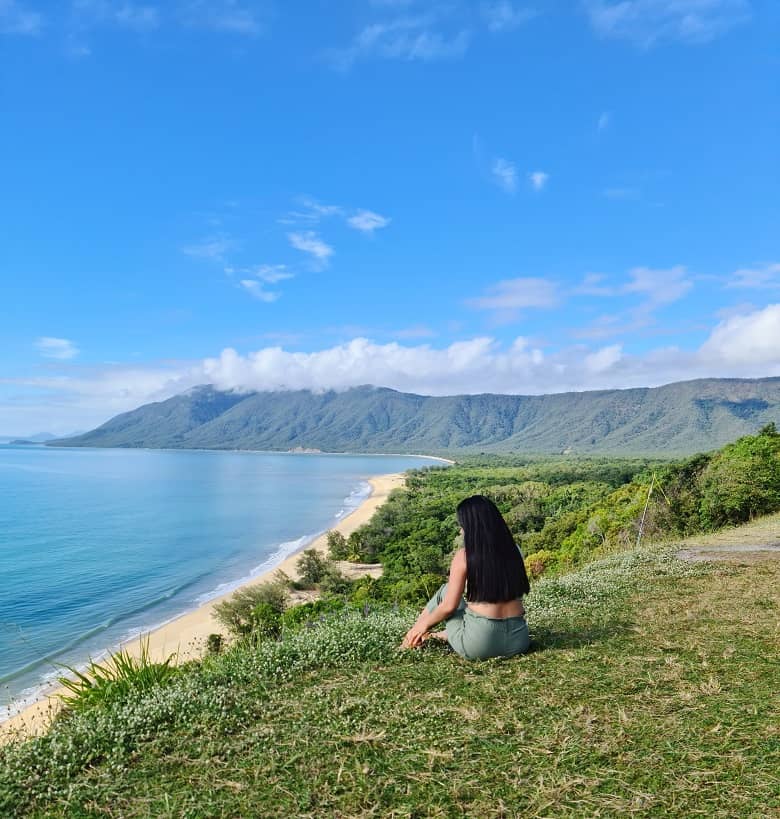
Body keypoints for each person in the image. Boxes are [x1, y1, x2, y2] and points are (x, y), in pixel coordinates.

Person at [401, 494, 531, 659]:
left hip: (479, 645)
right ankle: (438, 635)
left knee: (446, 590)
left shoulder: (464, 556)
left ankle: (411, 638)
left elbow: (448, 606)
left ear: (472, 526)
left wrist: (421, 626)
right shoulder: (515, 550)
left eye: (462, 525)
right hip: (518, 641)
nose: (461, 530)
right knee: (462, 604)